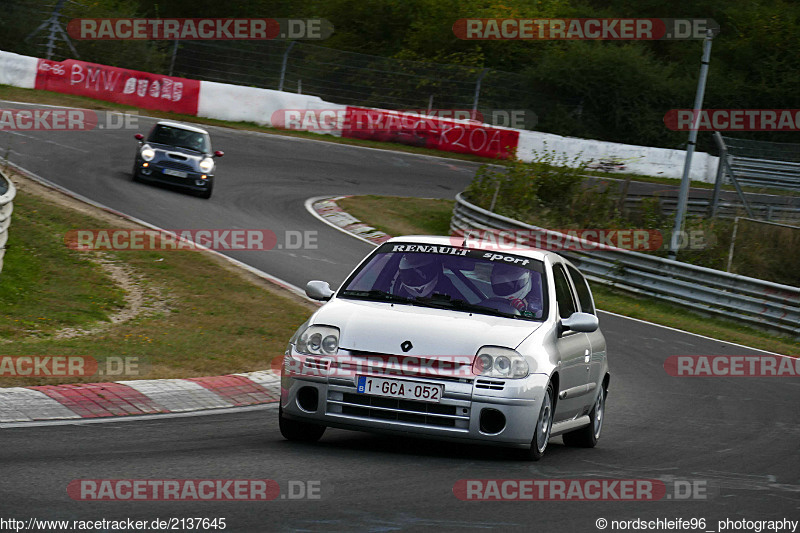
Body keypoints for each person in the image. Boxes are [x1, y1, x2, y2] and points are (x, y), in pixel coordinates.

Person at [393, 254, 459, 299]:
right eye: (410, 275)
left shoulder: (444, 283)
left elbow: (457, 301)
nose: (416, 279)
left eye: (421, 273)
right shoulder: (401, 291)